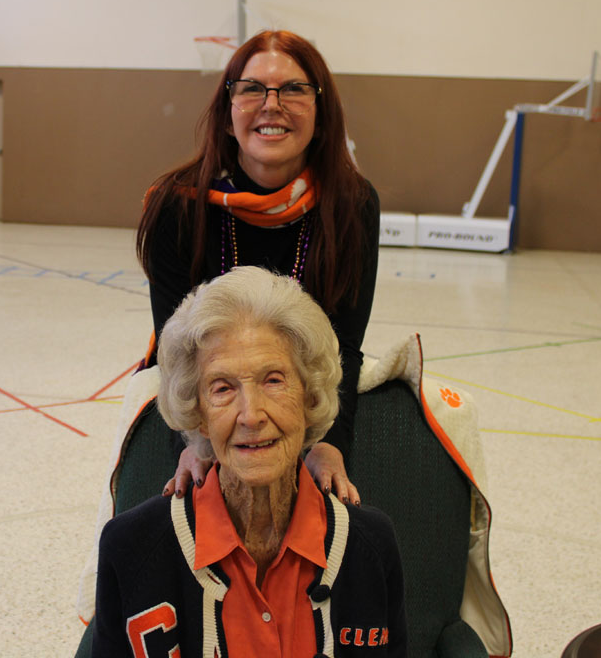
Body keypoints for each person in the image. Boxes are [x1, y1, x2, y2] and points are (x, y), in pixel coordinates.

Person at [92, 267, 406, 657]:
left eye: (274, 380)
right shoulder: (130, 548)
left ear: (310, 397)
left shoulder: (370, 546)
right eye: (222, 388)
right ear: (199, 414)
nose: (251, 415)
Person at [137, 30, 379, 505]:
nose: (273, 104)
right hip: (206, 393)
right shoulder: (177, 205)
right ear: (228, 115)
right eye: (252, 89)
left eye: (294, 89)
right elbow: (175, 353)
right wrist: (190, 446)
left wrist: (330, 443)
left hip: (299, 391)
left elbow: (345, 344)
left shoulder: (352, 204)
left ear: (321, 114)